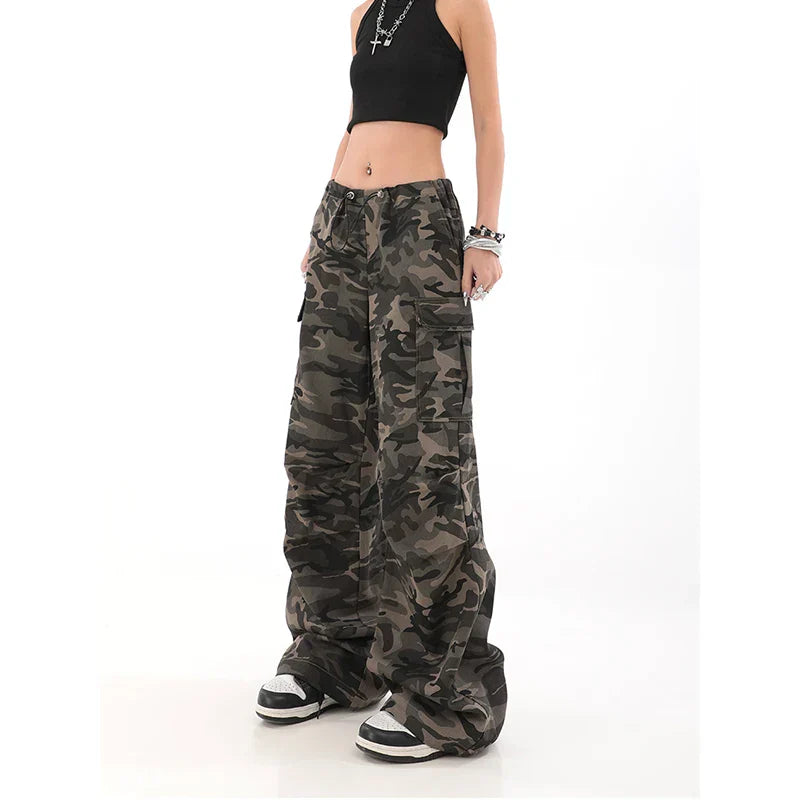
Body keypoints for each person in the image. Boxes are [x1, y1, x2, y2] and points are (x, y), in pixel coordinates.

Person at [256, 0, 507, 763]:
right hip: (341, 222)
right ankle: (337, 651)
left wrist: (486, 236)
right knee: (322, 443)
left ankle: (443, 688)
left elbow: (488, 123)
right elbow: (355, 122)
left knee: (422, 460)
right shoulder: (365, 10)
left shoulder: (462, 5)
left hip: (417, 226)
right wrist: (322, 225)